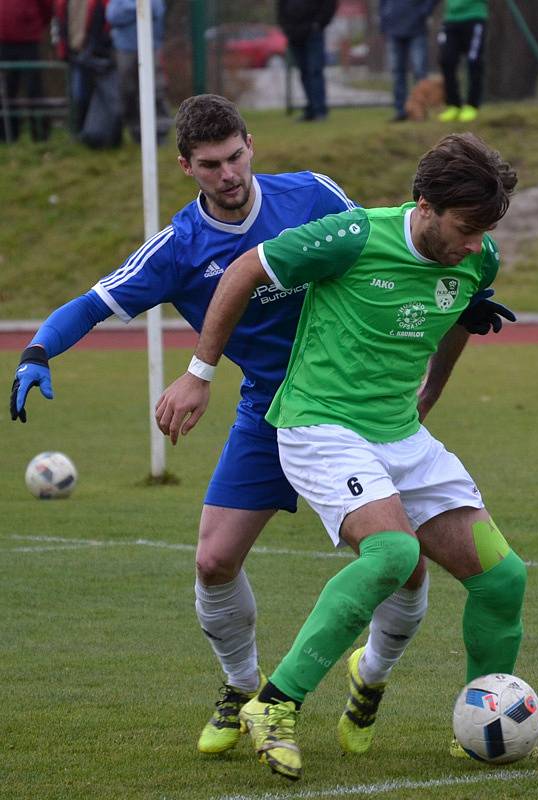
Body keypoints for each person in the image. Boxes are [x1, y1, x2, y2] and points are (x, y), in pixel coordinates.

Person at [163, 132, 538, 780]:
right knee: (394, 553)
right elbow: (246, 270)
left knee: (503, 578)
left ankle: (481, 732)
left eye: (486, 231)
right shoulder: (352, 236)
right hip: (319, 427)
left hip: (400, 435)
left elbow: (466, 312)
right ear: (425, 205)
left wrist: (432, 393)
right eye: (466, 228)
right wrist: (199, 371)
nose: (475, 244)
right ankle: (275, 703)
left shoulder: (479, 256)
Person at [9, 92, 370, 756]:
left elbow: (384, 252)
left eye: (235, 157)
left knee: (394, 558)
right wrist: (37, 351)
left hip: (353, 403)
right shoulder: (179, 246)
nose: (228, 175)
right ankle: (241, 688)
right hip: (268, 411)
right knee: (212, 560)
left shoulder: (313, 197)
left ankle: (368, 677)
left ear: (251, 144)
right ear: (186, 167)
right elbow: (91, 304)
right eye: (210, 165)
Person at [55, 0, 122, 147]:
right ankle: (80, 134)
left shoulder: (101, 3)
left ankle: (104, 136)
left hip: (97, 54)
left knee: (104, 97)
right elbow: (61, 24)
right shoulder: (64, 3)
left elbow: (108, 22)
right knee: (79, 96)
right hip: (76, 54)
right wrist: (63, 49)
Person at [106, 0, 171, 144]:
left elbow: (154, 10)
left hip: (151, 48)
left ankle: (160, 132)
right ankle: (136, 131)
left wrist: (130, 11)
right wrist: (138, 8)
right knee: (128, 90)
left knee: (156, 89)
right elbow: (113, 16)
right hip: (125, 49)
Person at [0, 0, 53, 142]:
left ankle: (40, 135)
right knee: (7, 90)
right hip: (4, 41)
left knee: (34, 90)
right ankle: (8, 135)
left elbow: (47, 9)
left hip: (29, 42)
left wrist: (34, 26)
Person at [277, 0, 337, 122]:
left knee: (315, 71)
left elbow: (330, 5)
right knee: (304, 72)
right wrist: (286, 27)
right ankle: (311, 109)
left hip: (313, 33)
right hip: (294, 33)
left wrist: (318, 24)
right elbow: (280, 7)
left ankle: (319, 110)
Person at [379, 0, 439, 122]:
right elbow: (382, 4)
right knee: (397, 72)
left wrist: (422, 12)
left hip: (416, 28)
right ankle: (401, 111)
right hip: (393, 29)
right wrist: (384, 21)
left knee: (419, 71)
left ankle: (421, 111)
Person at [437, 0, 488, 122]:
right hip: (451, 19)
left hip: (474, 17)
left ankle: (472, 105)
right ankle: (453, 104)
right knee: (446, 61)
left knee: (473, 61)